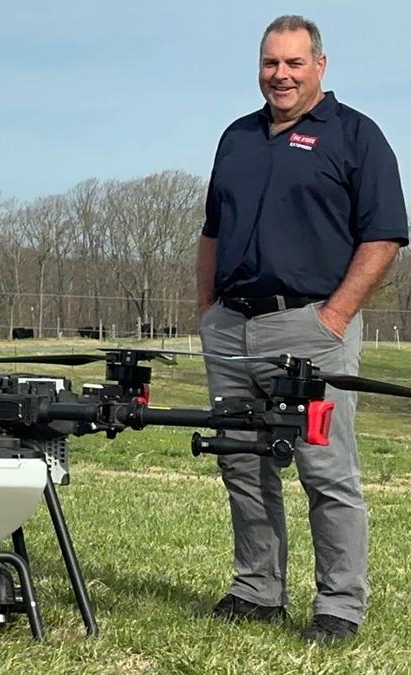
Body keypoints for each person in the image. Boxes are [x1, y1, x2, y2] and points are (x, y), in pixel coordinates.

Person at [197, 15, 407, 643]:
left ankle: (339, 606)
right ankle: (256, 590)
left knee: (326, 470)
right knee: (241, 461)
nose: (280, 76)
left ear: (319, 65)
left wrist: (335, 316)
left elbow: (385, 235)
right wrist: (206, 310)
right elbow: (211, 232)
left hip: (310, 326)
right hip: (231, 329)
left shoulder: (356, 136)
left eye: (292, 63)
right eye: (269, 63)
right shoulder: (236, 137)